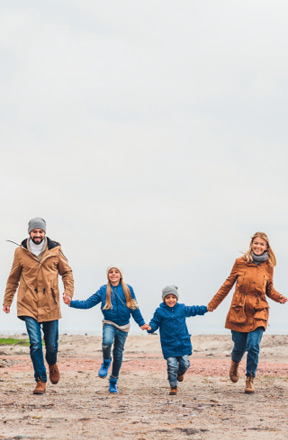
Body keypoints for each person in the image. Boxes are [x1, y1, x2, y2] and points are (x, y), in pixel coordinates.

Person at [208, 232, 287, 394]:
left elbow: (269, 289)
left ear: (266, 247)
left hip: (259, 311)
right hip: (239, 311)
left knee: (253, 346)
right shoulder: (240, 263)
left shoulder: (268, 266)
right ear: (252, 244)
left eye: (261, 244)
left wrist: (278, 297)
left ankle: (250, 378)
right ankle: (235, 363)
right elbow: (227, 285)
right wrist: (213, 304)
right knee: (239, 346)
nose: (258, 246)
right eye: (256, 243)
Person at [3, 217, 74, 395]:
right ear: (29, 233)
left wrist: (68, 292)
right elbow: (13, 278)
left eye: (40, 231)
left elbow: (66, 272)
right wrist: (7, 301)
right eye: (34, 231)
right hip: (27, 304)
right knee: (35, 343)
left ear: (44, 233)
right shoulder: (20, 252)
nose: (37, 234)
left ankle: (52, 362)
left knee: (51, 346)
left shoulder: (55, 250)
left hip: (50, 303)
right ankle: (40, 380)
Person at [63, 265, 149, 394]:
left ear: (121, 274)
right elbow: (88, 303)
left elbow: (134, 308)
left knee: (118, 354)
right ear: (107, 275)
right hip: (109, 322)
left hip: (124, 326)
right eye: (111, 272)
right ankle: (106, 361)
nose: (113, 274)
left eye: (116, 272)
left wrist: (141, 323)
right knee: (107, 342)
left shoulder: (128, 289)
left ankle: (113, 381)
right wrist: (71, 302)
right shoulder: (103, 290)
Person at [146, 285, 209, 395]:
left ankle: (180, 373)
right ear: (164, 299)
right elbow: (154, 323)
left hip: (183, 343)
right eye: (168, 297)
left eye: (173, 297)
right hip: (168, 344)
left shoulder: (182, 308)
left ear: (177, 298)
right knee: (172, 365)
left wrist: (206, 308)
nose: (171, 300)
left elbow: (194, 309)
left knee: (185, 363)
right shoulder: (160, 311)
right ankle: (173, 386)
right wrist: (150, 328)